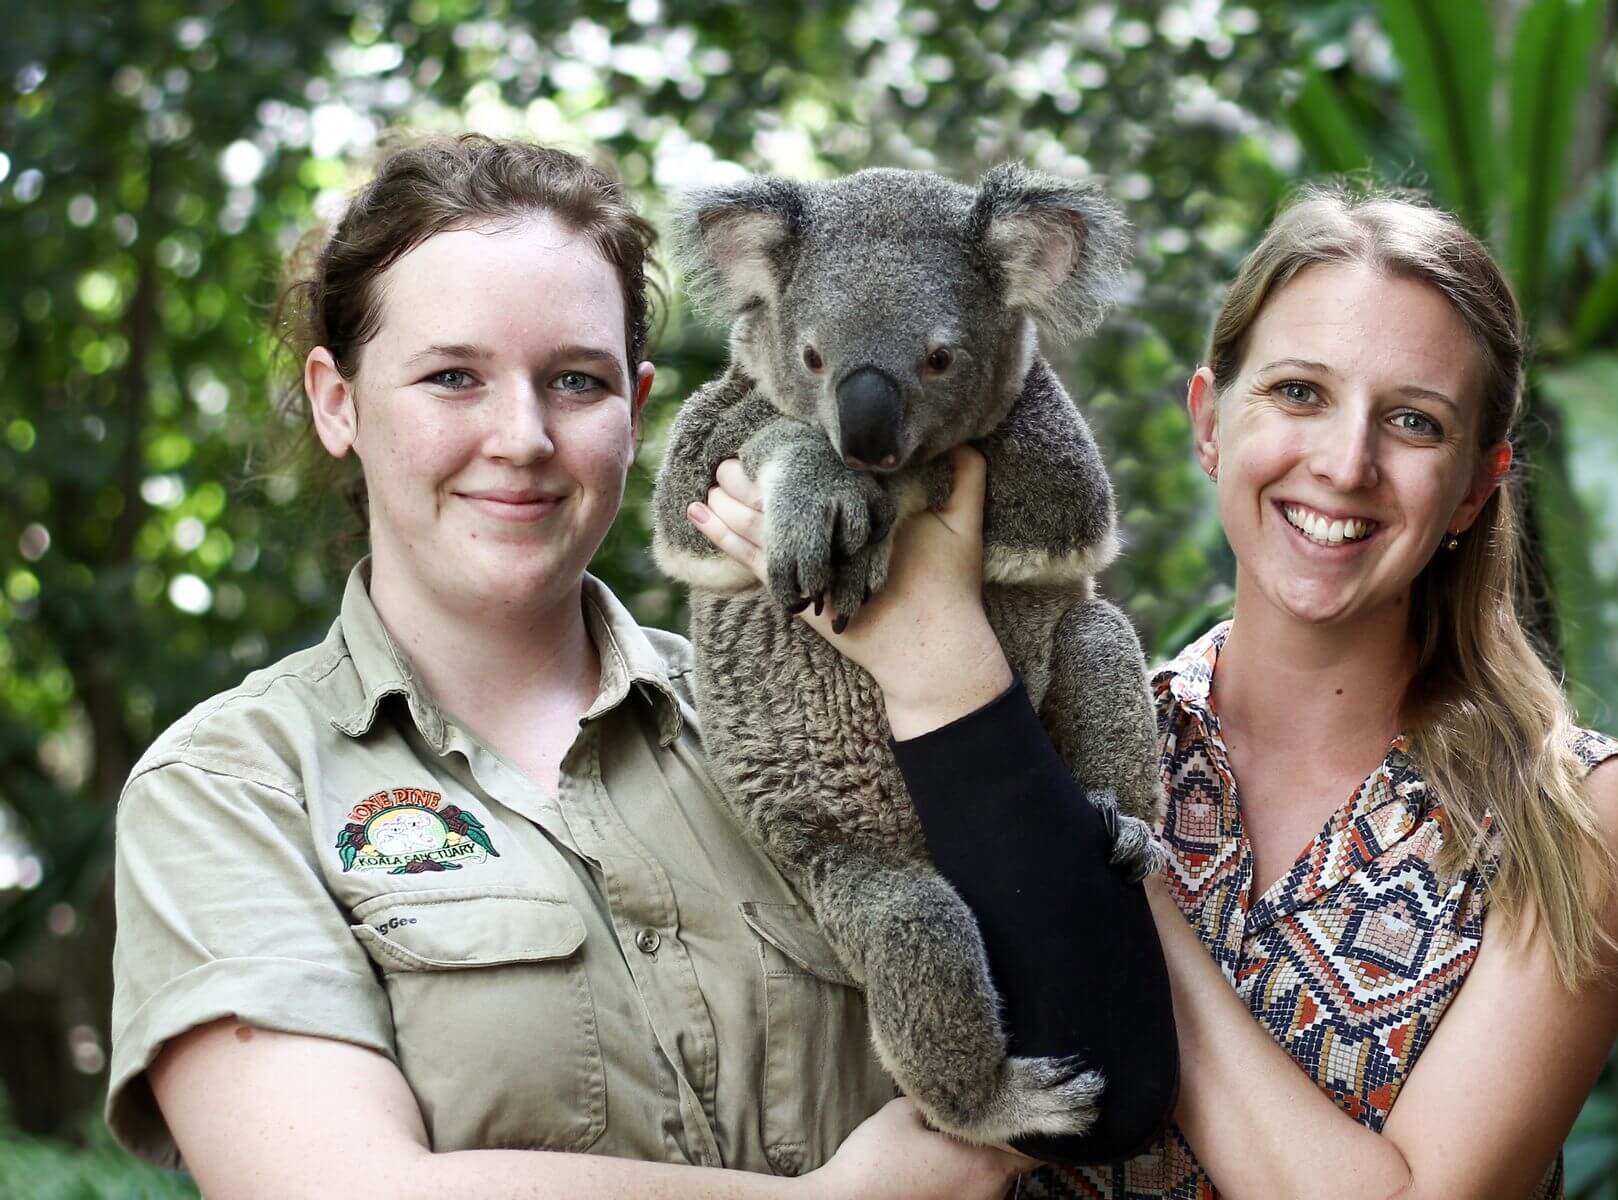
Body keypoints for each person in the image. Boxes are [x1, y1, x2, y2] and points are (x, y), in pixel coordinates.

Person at [692, 185, 1618, 1198]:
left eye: (1415, 423)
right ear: (1209, 424)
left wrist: (1096, 861)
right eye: (1298, 393)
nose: (1344, 463)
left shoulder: (1577, 812)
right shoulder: (1090, 718)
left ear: (1475, 486)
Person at [105, 134, 1031, 1199]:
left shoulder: (815, 707)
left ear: (636, 411)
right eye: (453, 376)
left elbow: (1074, 1044)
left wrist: (946, 670)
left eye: (576, 382)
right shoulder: (232, 788)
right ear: (337, 401)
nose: (523, 436)